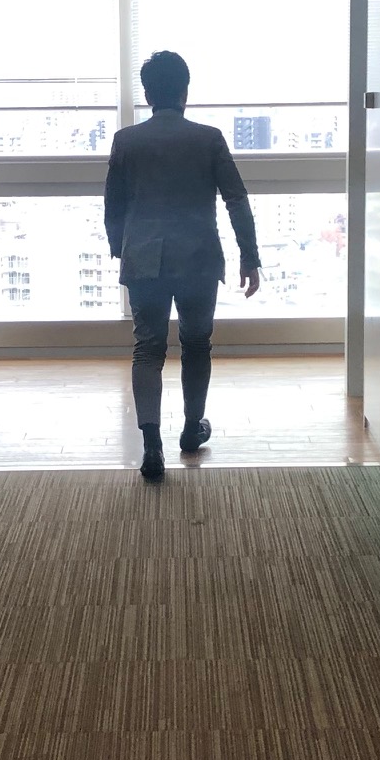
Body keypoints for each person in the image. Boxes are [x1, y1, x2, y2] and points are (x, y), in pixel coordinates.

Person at [103, 50, 261, 482]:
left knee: (147, 348)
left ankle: (151, 444)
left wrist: (121, 248)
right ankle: (192, 430)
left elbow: (113, 203)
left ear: (148, 93)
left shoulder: (126, 141)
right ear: (185, 92)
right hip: (198, 258)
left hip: (144, 258)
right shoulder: (208, 139)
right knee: (196, 344)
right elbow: (236, 199)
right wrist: (249, 256)